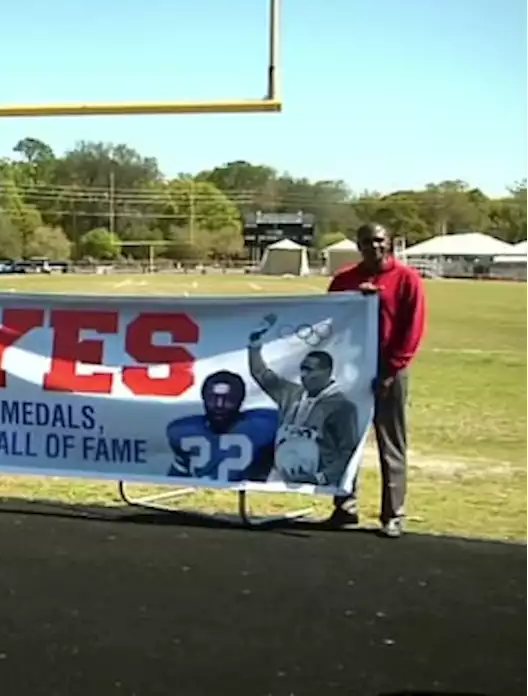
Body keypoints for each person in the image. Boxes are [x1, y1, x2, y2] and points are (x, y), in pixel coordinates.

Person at [325, 221, 427, 538]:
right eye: (367, 241)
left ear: (390, 243)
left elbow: (412, 329)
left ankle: (393, 514)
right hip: (349, 369)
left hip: (389, 370)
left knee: (391, 444)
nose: (374, 246)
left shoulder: (406, 279)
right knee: (344, 439)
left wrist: (391, 370)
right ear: (359, 245)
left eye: (380, 241)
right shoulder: (345, 280)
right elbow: (328, 320)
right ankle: (344, 507)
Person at [246, 333, 362, 489]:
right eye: (302, 369)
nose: (303, 375)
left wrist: (321, 478)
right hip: (281, 471)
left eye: (309, 370)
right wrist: (254, 346)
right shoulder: (290, 393)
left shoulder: (342, 407)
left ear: (327, 372)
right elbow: (261, 374)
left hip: (316, 474)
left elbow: (347, 451)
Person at [165, 369, 279, 482]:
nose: (219, 405)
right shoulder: (183, 431)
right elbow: (176, 481)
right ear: (203, 398)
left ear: (241, 400)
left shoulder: (266, 425)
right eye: (213, 398)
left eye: (228, 399)